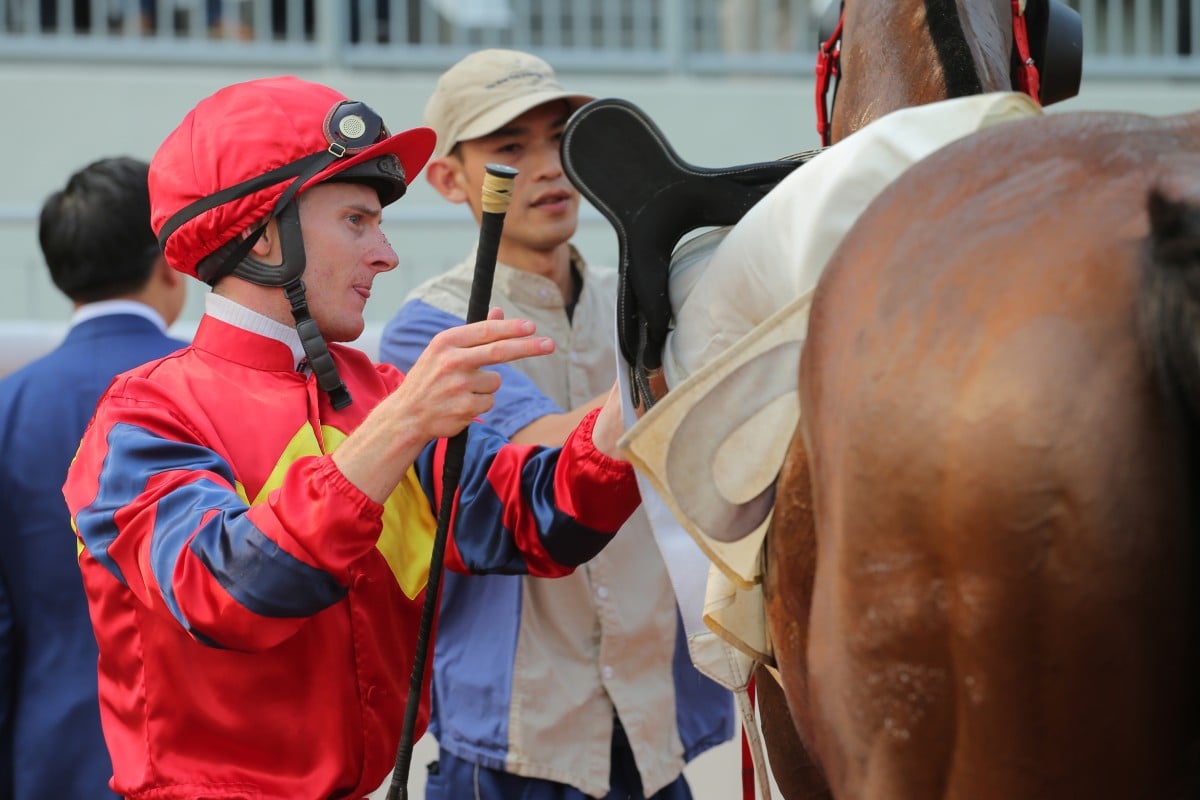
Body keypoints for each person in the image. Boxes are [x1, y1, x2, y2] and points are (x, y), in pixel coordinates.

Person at [60, 75, 641, 800]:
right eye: (358, 222)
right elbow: (228, 589)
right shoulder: (144, 415)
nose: (387, 255)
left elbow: (530, 520)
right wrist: (401, 426)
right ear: (266, 233)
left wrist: (643, 392)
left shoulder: (383, 392)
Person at [378, 49, 734, 800]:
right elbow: (526, 451)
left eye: (563, 136)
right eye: (510, 146)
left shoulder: (636, 295)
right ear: (446, 177)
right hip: (511, 738)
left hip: (650, 723)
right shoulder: (429, 326)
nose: (547, 166)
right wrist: (679, 370)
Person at [0, 156, 189, 799]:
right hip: (205, 749)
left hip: (50, 748)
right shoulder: (215, 389)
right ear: (170, 258)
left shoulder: (10, 406)